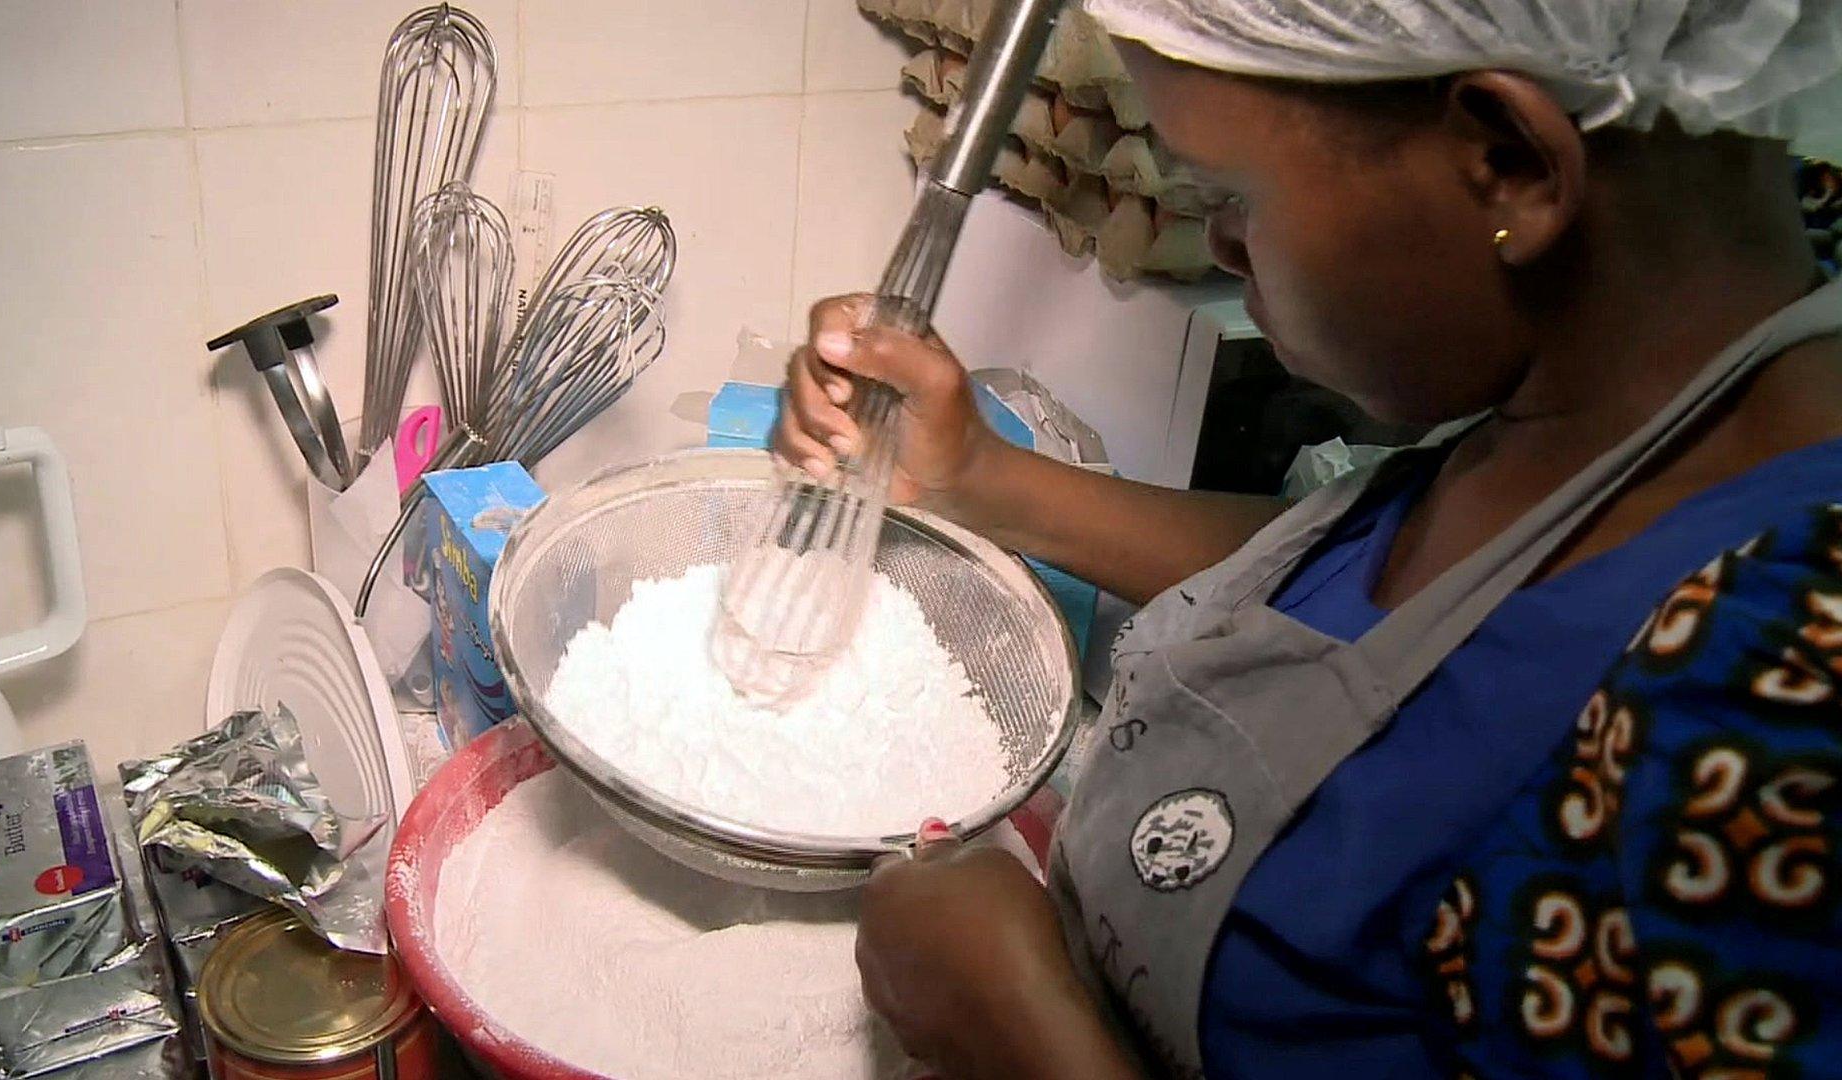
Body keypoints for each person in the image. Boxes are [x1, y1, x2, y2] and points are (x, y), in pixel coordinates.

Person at [774, 1, 1842, 1076]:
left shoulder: (1766, 716)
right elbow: (1388, 588)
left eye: (1232, 192)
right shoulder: (1664, 331)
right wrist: (981, 481)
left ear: (1511, 164)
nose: (1224, 242)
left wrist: (1023, 1037)